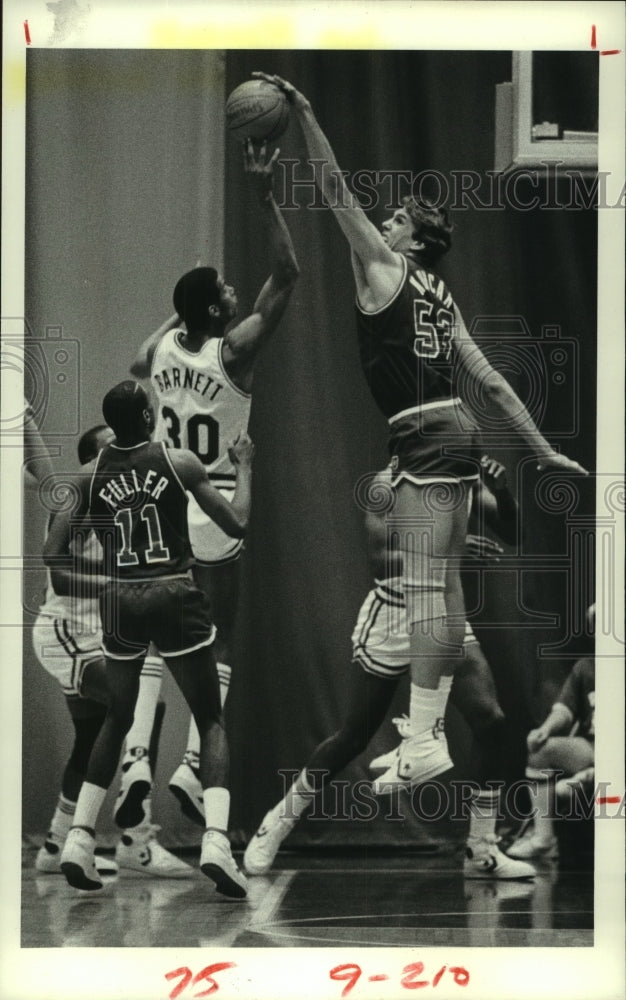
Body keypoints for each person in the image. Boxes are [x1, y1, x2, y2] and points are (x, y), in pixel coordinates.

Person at [251, 72, 586, 792]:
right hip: (456, 436)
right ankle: (425, 733)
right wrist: (544, 451)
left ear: (416, 239)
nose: (387, 220)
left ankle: (427, 738)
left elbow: (334, 187)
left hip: (424, 438)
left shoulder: (384, 267)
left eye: (398, 218)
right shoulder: (444, 295)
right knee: (443, 590)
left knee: (425, 587)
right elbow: (492, 384)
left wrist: (306, 111)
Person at [244, 457, 535, 880]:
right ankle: (278, 822)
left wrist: (503, 491)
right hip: (394, 615)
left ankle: (481, 849)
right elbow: (382, 560)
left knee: (490, 721)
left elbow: (515, 534)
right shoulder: (388, 483)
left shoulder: (463, 477)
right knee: (353, 736)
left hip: (442, 613)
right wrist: (447, 550)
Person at [129, 141, 299, 825]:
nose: (234, 291)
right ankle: (195, 764)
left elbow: (139, 358)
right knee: (216, 642)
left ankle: (138, 753)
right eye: (224, 290)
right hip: (219, 495)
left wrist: (180, 312)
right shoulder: (238, 351)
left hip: (167, 502)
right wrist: (265, 196)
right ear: (215, 312)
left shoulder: (166, 349)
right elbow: (288, 274)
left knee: (150, 637)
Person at [43, 380, 254, 897]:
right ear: (146, 416)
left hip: (120, 602)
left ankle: (78, 839)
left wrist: (110, 572)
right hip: (173, 592)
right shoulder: (177, 461)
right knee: (210, 718)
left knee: (117, 717)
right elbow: (238, 524)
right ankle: (217, 843)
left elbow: (53, 552)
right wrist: (244, 466)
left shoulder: (91, 474)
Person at [32, 424, 192, 879]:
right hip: (66, 631)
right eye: (111, 451)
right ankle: (135, 841)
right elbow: (61, 575)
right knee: (139, 704)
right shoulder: (77, 502)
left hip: (94, 635)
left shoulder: (126, 505)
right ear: (91, 463)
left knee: (90, 742)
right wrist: (114, 577)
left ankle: (55, 842)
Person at [506, 607, 595, 860]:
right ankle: (544, 839)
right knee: (540, 751)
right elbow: (564, 710)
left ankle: (589, 778)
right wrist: (544, 730)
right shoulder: (586, 667)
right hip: (593, 747)